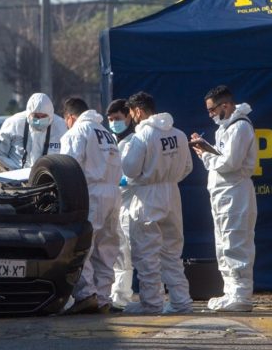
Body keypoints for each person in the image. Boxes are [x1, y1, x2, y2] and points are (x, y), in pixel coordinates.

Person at [120, 92, 194, 314]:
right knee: (172, 251)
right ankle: (181, 302)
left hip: (147, 196)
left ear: (139, 111)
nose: (132, 118)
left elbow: (130, 169)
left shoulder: (142, 136)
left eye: (132, 113)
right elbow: (188, 167)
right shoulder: (179, 134)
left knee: (146, 252)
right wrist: (167, 179)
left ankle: (151, 303)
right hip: (172, 193)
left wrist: (139, 180)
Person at [190, 85, 258, 312]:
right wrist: (207, 149)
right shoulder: (225, 129)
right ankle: (231, 291)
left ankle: (241, 294)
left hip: (235, 192)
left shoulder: (240, 127)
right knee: (223, 243)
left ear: (226, 105)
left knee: (235, 242)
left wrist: (205, 156)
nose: (210, 114)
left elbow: (230, 163)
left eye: (212, 109)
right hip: (222, 193)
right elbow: (223, 158)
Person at [60, 97, 123, 314]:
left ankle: (87, 295)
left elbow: (69, 166)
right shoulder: (105, 133)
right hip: (113, 194)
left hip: (91, 193)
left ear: (70, 117)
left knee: (83, 246)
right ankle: (103, 297)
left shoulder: (77, 132)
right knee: (106, 248)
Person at [105, 99, 136, 309]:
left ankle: (123, 296)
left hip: (131, 200)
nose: (114, 123)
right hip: (115, 201)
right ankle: (118, 295)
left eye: (118, 119)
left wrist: (122, 180)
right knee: (119, 252)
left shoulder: (135, 141)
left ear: (128, 117)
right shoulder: (111, 140)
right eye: (111, 119)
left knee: (130, 253)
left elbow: (134, 172)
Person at [0, 93, 67, 169]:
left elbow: (67, 159)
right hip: (15, 177)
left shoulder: (61, 127)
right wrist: (12, 169)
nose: (39, 120)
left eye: (43, 116)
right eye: (36, 116)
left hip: (49, 178)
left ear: (50, 115)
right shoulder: (13, 123)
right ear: (29, 114)